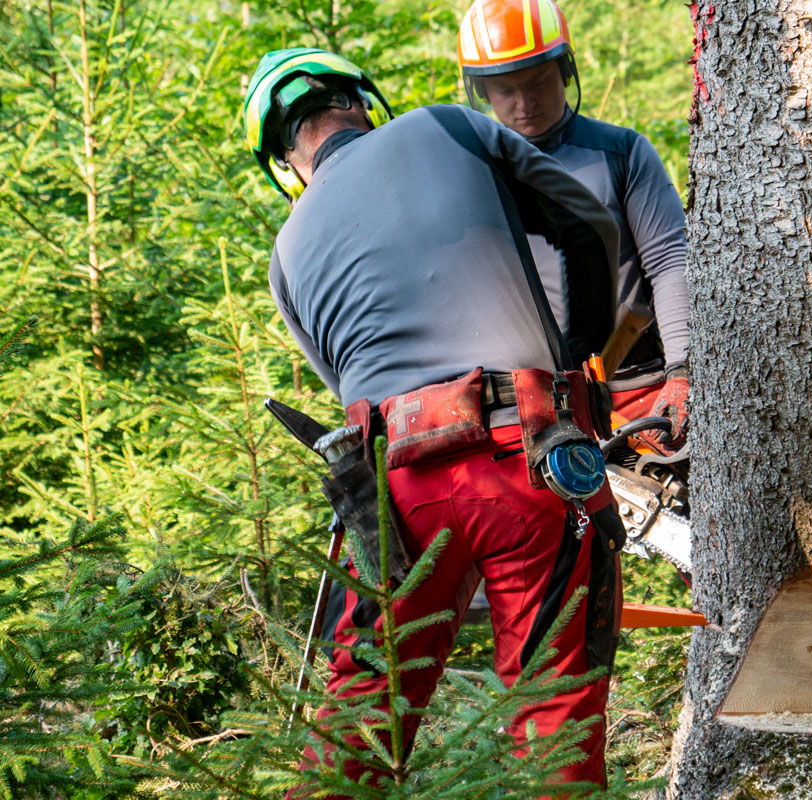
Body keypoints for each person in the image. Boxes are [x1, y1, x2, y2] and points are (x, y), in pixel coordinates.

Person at [241, 47, 625, 791]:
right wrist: (575, 354)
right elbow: (587, 226)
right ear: (360, 101)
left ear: (284, 157)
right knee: (554, 712)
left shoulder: (285, 253)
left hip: (392, 495)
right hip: (529, 452)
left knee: (359, 715)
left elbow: (349, 385)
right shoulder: (451, 128)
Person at [457, 0, 691, 450]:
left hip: (640, 387)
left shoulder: (621, 154)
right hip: (536, 408)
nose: (525, 104)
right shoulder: (474, 178)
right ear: (481, 92)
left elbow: (669, 262)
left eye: (538, 82)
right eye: (505, 90)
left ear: (565, 70)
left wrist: (681, 372)